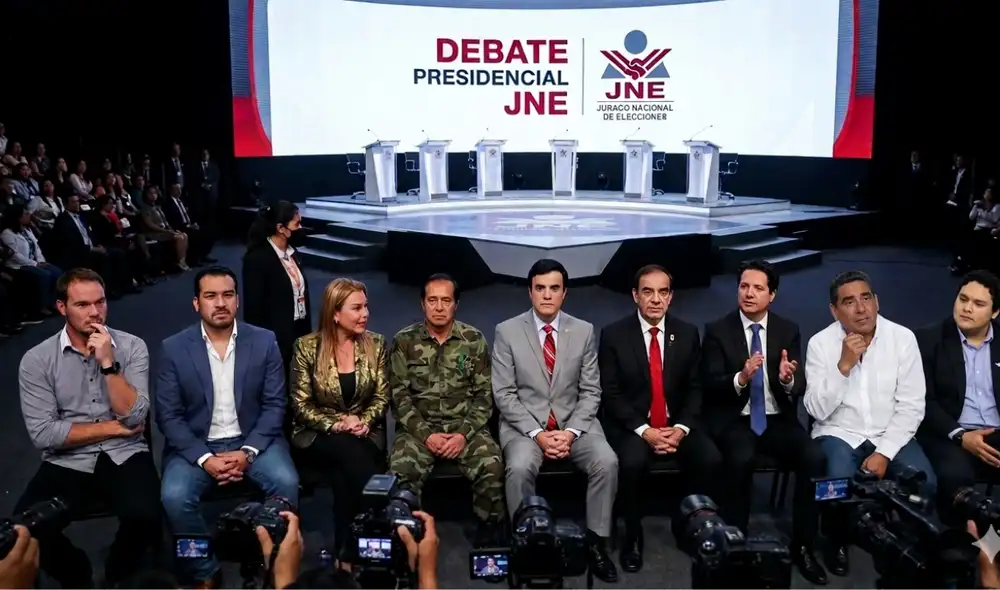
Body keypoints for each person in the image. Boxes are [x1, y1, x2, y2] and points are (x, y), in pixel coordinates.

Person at [15, 268, 161, 587]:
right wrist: (114, 428)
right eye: (82, 305)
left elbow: (135, 417)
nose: (95, 313)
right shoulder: (36, 360)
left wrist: (108, 364)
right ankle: (77, 574)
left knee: (147, 515)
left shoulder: (132, 347)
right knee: (22, 528)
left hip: (125, 454)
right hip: (67, 460)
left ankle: (117, 573)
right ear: (61, 307)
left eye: (100, 302)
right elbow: (44, 434)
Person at [156, 266, 300, 587]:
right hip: (196, 445)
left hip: (254, 441)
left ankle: (273, 561)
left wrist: (247, 452)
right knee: (174, 496)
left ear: (237, 300)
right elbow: (169, 417)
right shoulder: (174, 349)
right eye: (211, 296)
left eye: (227, 295)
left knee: (286, 482)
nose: (220, 303)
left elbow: (276, 404)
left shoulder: (264, 341)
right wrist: (205, 459)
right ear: (197, 304)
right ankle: (204, 570)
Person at [701, 260, 828, 584]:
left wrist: (788, 380)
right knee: (740, 458)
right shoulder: (718, 329)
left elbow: (798, 387)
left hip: (776, 418)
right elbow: (709, 383)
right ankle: (734, 545)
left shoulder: (788, 329)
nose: (749, 293)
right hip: (735, 417)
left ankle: (803, 546)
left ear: (772, 294)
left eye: (758, 288)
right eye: (744, 286)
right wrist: (740, 377)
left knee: (814, 458)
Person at [492, 259, 619, 582]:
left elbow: (591, 391)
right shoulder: (506, 331)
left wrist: (571, 432)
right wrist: (537, 434)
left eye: (554, 289)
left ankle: (596, 543)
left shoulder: (584, 330)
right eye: (540, 288)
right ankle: (523, 543)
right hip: (525, 426)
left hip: (575, 424)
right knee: (519, 466)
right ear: (530, 292)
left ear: (564, 294)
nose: (547, 295)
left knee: (607, 461)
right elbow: (504, 394)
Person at [804, 270, 934, 577]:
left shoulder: (902, 339)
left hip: (890, 432)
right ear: (835, 311)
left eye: (866, 298)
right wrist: (843, 366)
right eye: (849, 302)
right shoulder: (820, 344)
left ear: (877, 301)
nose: (861, 309)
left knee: (926, 481)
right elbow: (816, 410)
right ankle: (836, 540)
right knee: (834, 486)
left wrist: (884, 452)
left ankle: (911, 547)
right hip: (838, 432)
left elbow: (912, 406)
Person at [598, 264, 723, 573]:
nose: (655, 299)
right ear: (635, 296)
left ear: (671, 297)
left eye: (662, 292)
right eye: (648, 292)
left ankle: (691, 525)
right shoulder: (614, 334)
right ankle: (633, 536)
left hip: (676, 423)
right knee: (631, 463)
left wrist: (680, 429)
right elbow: (610, 394)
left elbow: (695, 389)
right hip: (634, 425)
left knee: (710, 458)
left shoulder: (687, 333)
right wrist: (645, 431)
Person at [389, 274, 506, 546]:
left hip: (464, 427)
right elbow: (399, 396)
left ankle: (490, 532)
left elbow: (484, 397)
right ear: (422, 304)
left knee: (492, 465)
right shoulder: (404, 341)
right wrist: (426, 435)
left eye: (446, 300)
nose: (439, 307)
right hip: (418, 430)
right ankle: (408, 537)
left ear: (456, 305)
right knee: (401, 469)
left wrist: (463, 435)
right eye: (432, 300)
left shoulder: (473, 340)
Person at [289, 278, 387, 562]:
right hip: (318, 434)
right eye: (356, 308)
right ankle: (380, 512)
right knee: (347, 451)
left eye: (366, 306)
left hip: (364, 432)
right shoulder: (306, 347)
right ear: (335, 313)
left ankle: (344, 555)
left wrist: (363, 421)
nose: (365, 314)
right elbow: (300, 405)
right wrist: (338, 424)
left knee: (344, 475)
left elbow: (382, 397)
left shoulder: (377, 344)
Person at [916, 270, 1000, 512]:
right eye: (963, 299)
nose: (967, 308)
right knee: (955, 479)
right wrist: (961, 435)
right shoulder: (928, 339)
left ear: (995, 312)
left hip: (995, 431)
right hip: (951, 434)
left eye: (978, 304)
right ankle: (967, 544)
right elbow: (925, 401)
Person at [242, 201, 312, 374]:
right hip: (275, 341)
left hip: (299, 332)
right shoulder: (257, 259)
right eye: (297, 224)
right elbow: (253, 309)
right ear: (281, 228)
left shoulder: (293, 253)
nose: (300, 228)